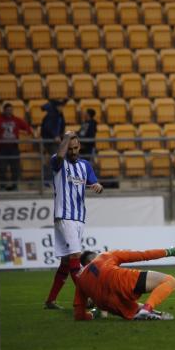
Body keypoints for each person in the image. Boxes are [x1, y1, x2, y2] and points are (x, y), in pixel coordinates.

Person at [44, 131, 104, 310]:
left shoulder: (85, 165)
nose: (73, 151)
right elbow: (61, 155)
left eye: (76, 148)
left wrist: (98, 186)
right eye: (70, 148)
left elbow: (96, 184)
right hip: (64, 216)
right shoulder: (58, 161)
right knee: (75, 256)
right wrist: (66, 139)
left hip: (79, 217)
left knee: (65, 262)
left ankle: (50, 301)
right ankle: (87, 297)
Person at [74, 246, 175, 321]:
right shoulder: (104, 255)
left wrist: (92, 314)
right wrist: (170, 252)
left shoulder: (80, 280)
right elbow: (143, 255)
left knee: (133, 308)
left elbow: (79, 315)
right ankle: (147, 309)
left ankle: (148, 313)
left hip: (106, 302)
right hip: (117, 280)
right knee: (170, 281)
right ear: (94, 257)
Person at [0, 103, 34, 191]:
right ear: (3, 110)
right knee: (2, 167)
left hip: (14, 147)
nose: (9, 112)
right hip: (1, 148)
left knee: (15, 167)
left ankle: (15, 185)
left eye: (10, 110)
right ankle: (2, 185)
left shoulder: (17, 120)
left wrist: (25, 133)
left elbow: (28, 129)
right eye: (7, 110)